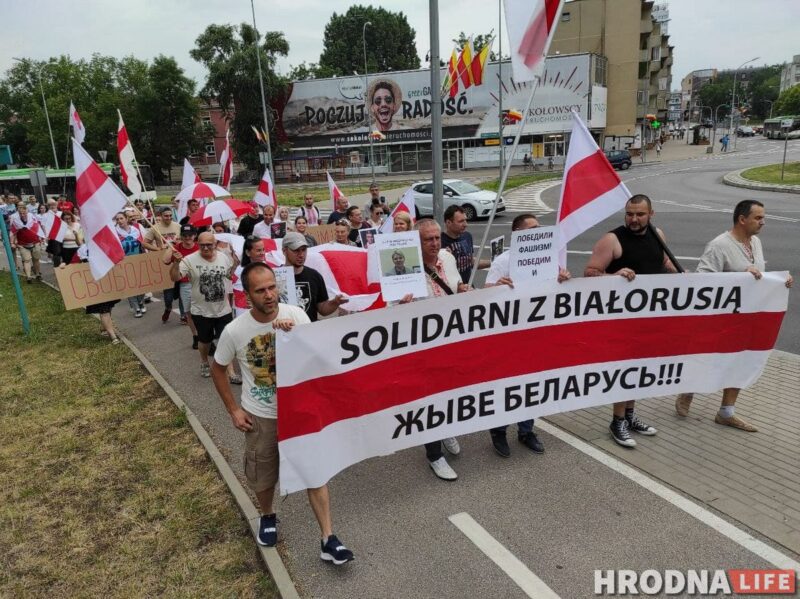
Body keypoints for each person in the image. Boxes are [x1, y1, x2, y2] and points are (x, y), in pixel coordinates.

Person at [210, 262, 354, 563]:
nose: (269, 295)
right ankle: (267, 515)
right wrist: (233, 410)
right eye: (260, 290)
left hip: (300, 412)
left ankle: (328, 538)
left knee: (315, 473)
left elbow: (318, 358)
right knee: (263, 475)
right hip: (261, 416)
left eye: (272, 287)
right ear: (247, 294)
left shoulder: (296, 315)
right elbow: (218, 368)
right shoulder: (235, 330)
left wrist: (294, 336)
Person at [675, 200, 794, 432]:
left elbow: (758, 276)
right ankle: (688, 389)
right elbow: (702, 281)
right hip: (720, 321)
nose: (763, 222)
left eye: (763, 217)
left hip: (746, 319)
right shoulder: (718, 245)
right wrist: (740, 274)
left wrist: (780, 281)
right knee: (708, 361)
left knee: (741, 362)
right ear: (742, 219)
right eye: (758, 218)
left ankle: (726, 412)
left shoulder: (756, 242)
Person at [584, 194, 678, 448]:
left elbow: (661, 261)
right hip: (621, 321)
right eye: (629, 214)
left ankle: (629, 415)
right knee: (624, 370)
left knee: (639, 369)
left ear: (651, 214)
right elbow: (590, 272)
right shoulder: (612, 240)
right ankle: (617, 421)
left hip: (649, 318)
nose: (634, 219)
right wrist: (614, 276)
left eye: (640, 214)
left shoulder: (658, 234)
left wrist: (679, 273)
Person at [484, 213, 572, 457]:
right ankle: (499, 430)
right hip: (509, 335)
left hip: (537, 333)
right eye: (532, 229)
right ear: (518, 234)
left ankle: (526, 430)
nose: (538, 231)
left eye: (539, 227)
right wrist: (497, 287)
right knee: (507, 384)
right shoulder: (504, 260)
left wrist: (563, 279)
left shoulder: (548, 259)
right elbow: (485, 293)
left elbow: (555, 290)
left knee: (533, 383)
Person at [401, 219, 468, 481]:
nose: (435, 243)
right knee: (429, 399)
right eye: (428, 239)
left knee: (450, 393)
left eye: (437, 238)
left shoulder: (447, 259)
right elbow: (390, 311)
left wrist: (462, 289)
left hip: (450, 340)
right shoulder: (405, 268)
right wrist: (400, 305)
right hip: (422, 346)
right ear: (416, 242)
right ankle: (434, 455)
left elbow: (456, 286)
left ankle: (445, 429)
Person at [170, 231, 238, 379]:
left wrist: (235, 264)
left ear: (215, 244)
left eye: (209, 245)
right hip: (201, 311)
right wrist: (175, 263)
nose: (205, 248)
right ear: (198, 244)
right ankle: (204, 361)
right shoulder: (189, 260)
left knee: (225, 341)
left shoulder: (223, 257)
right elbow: (175, 277)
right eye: (202, 245)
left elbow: (228, 276)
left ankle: (230, 372)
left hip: (223, 309)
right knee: (205, 342)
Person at [282, 232, 348, 321]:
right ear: (284, 251)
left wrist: (335, 302)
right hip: (283, 328)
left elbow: (322, 309)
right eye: (296, 250)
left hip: (310, 328)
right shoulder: (273, 277)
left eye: (304, 250)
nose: (301, 255)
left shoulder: (314, 276)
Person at [166, 225, 200, 347]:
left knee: (202, 312)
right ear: (181, 236)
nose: (187, 238)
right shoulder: (177, 248)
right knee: (189, 312)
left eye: (190, 235)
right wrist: (171, 246)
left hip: (199, 282)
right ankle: (195, 336)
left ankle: (205, 336)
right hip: (185, 284)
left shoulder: (199, 247)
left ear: (194, 235)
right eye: (185, 235)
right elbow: (165, 260)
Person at [441, 205, 490, 284]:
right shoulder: (439, 242)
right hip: (451, 289)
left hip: (468, 286)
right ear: (448, 223)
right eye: (461, 221)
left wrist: (494, 262)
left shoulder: (467, 236)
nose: (465, 224)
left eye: (465, 220)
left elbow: (471, 262)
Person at [115, 211, 147, 317]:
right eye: (117, 219)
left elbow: (144, 244)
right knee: (130, 286)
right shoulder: (115, 232)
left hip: (138, 260)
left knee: (142, 284)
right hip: (124, 263)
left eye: (121, 218)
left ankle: (141, 301)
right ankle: (136, 307)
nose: (119, 221)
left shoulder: (136, 230)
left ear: (126, 219)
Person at [9, 203, 43, 282]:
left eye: (24, 213)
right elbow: (13, 232)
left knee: (36, 259)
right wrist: (12, 243)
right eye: (20, 213)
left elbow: (38, 228)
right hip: (23, 244)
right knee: (26, 260)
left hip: (35, 242)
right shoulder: (15, 220)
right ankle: (29, 277)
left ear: (27, 211)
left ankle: (37, 274)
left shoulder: (33, 218)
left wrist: (41, 238)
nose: (22, 215)